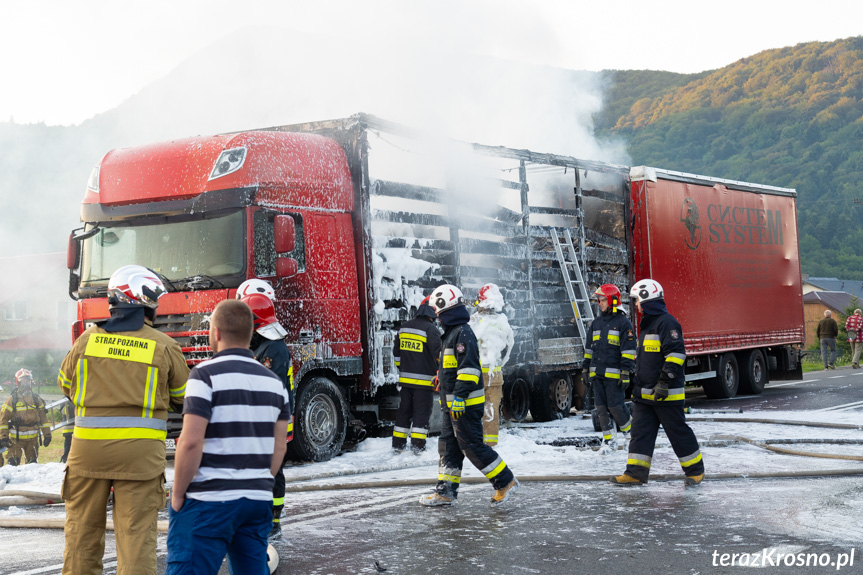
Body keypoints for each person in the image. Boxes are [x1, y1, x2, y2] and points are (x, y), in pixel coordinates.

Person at [57, 264, 189, 575]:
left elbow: (66, 384)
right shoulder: (164, 346)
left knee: (81, 537)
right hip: (139, 458)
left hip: (87, 454)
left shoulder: (87, 341)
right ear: (144, 302)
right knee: (135, 540)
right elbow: (184, 395)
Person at [167, 299, 290, 575]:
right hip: (256, 502)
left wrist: (177, 496)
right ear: (249, 335)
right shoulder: (274, 384)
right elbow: (279, 446)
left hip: (208, 501)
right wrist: (258, 482)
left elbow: (190, 442)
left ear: (217, 333)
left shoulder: (204, 376)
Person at [421, 284, 519, 507]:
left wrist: (459, 397)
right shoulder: (452, 334)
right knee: (448, 447)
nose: (435, 315)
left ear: (445, 307)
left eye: (436, 310)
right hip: (451, 405)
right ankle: (446, 491)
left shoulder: (462, 333)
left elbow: (469, 370)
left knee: (473, 446)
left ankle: (505, 482)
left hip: (464, 405)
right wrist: (441, 378)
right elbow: (453, 368)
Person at [611, 279, 704, 487]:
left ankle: (695, 470)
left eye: (637, 301)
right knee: (640, 434)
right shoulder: (648, 325)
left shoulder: (667, 323)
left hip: (665, 393)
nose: (636, 305)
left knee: (677, 432)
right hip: (644, 395)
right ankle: (635, 473)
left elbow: (676, 355)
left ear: (646, 299)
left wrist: (664, 382)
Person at [240, 291, 295, 541]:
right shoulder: (260, 344)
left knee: (274, 472)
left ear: (257, 322)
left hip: (274, 420)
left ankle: (274, 519)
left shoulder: (274, 348)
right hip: (262, 419)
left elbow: (268, 386)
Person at [583, 284, 636, 455]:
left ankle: (631, 436)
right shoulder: (596, 323)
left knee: (616, 407)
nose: (600, 303)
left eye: (603, 299)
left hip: (614, 376)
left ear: (613, 300)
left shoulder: (623, 323)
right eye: (599, 300)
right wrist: (585, 369)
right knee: (601, 409)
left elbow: (628, 351)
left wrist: (625, 373)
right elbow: (589, 348)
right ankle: (609, 441)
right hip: (597, 375)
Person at [392, 296, 441, 453]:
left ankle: (398, 445)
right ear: (431, 315)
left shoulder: (404, 327)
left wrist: (404, 368)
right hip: (424, 383)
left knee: (404, 413)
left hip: (405, 382)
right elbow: (439, 355)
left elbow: (397, 355)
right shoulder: (431, 330)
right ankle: (417, 447)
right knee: (421, 414)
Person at [469, 283, 514, 446]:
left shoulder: (474, 321)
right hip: (495, 375)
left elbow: (466, 345)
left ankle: (475, 445)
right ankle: (491, 446)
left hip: (476, 375)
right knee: (491, 411)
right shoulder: (503, 322)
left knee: (474, 410)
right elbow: (509, 347)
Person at [0, 368, 51, 465]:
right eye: (23, 381)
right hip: (15, 441)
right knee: (13, 464)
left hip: (32, 441)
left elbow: (44, 419)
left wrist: (47, 435)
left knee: (32, 465)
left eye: (28, 381)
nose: (26, 384)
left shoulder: (37, 400)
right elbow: (3, 420)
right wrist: (4, 437)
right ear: (18, 383)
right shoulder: (12, 400)